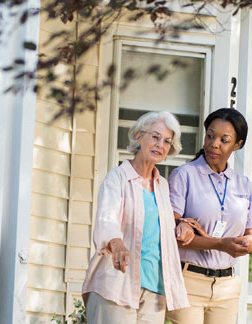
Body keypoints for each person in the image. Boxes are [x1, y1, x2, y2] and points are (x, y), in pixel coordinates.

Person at [82, 111, 190, 324]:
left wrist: (182, 225)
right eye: (155, 136)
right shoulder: (118, 178)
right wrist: (117, 243)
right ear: (139, 136)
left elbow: (158, 226)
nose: (160, 144)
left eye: (167, 141)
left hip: (154, 290)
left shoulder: (162, 186)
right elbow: (107, 217)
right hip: (117, 285)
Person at [165, 108, 252, 324]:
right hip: (187, 281)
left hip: (227, 287)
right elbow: (171, 236)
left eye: (224, 140)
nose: (214, 143)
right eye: (210, 135)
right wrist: (220, 243)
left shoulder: (244, 185)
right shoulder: (184, 175)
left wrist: (230, 242)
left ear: (237, 144)